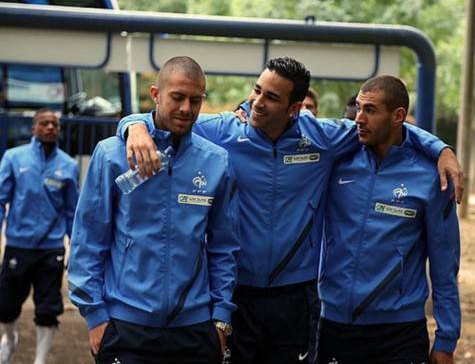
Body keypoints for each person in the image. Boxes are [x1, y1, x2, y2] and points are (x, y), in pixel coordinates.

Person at [117, 57, 462, 364]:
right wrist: (133, 125)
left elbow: (386, 124)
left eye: (271, 97)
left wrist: (441, 148)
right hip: (237, 291)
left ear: (294, 108)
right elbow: (166, 114)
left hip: (296, 297)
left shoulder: (322, 138)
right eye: (257, 90)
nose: (256, 102)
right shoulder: (224, 131)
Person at [67, 56, 240, 364]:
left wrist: (221, 317)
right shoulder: (112, 155)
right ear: (156, 94)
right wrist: (95, 316)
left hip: (194, 329)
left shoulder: (216, 162)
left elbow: (223, 247)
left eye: (196, 100)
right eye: (177, 97)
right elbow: (88, 240)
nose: (186, 108)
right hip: (126, 326)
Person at [317, 75, 460, 364]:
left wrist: (446, 338)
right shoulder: (336, 161)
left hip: (399, 332)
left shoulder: (431, 178)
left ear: (398, 116)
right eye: (358, 108)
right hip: (334, 325)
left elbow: (445, 266)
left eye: (370, 110)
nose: (359, 118)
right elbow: (290, 125)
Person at [0, 108, 79, 364]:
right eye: (44, 123)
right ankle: (10, 339)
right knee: (6, 308)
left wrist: (75, 249)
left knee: (48, 309)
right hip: (18, 246)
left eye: (54, 124)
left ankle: (40, 360)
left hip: (51, 249)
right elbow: (1, 199)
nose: (50, 127)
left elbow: (71, 212)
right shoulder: (13, 158)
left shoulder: (68, 165)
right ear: (34, 128)